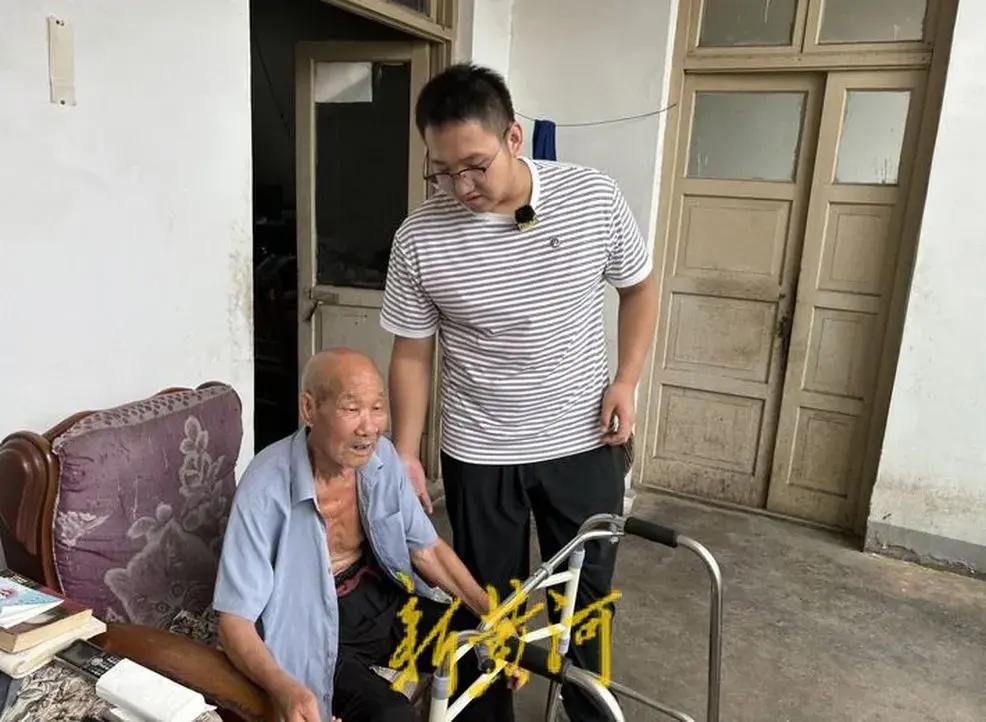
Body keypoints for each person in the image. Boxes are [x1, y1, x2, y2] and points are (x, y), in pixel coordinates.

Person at [380, 64, 658, 722]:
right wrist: (407, 451)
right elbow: (412, 351)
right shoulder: (419, 238)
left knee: (585, 601)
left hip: (584, 441)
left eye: (474, 167)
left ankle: (586, 712)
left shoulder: (591, 198)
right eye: (441, 172)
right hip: (480, 451)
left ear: (513, 136)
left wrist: (626, 380)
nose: (461, 188)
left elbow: (639, 286)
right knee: (487, 602)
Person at [213, 349, 520, 722]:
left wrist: (494, 616)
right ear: (309, 409)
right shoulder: (265, 487)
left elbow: (427, 550)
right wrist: (285, 689)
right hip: (314, 626)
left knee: (485, 649)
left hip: (377, 597)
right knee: (391, 715)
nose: (369, 427)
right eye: (352, 408)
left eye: (377, 408)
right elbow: (234, 621)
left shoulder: (382, 459)